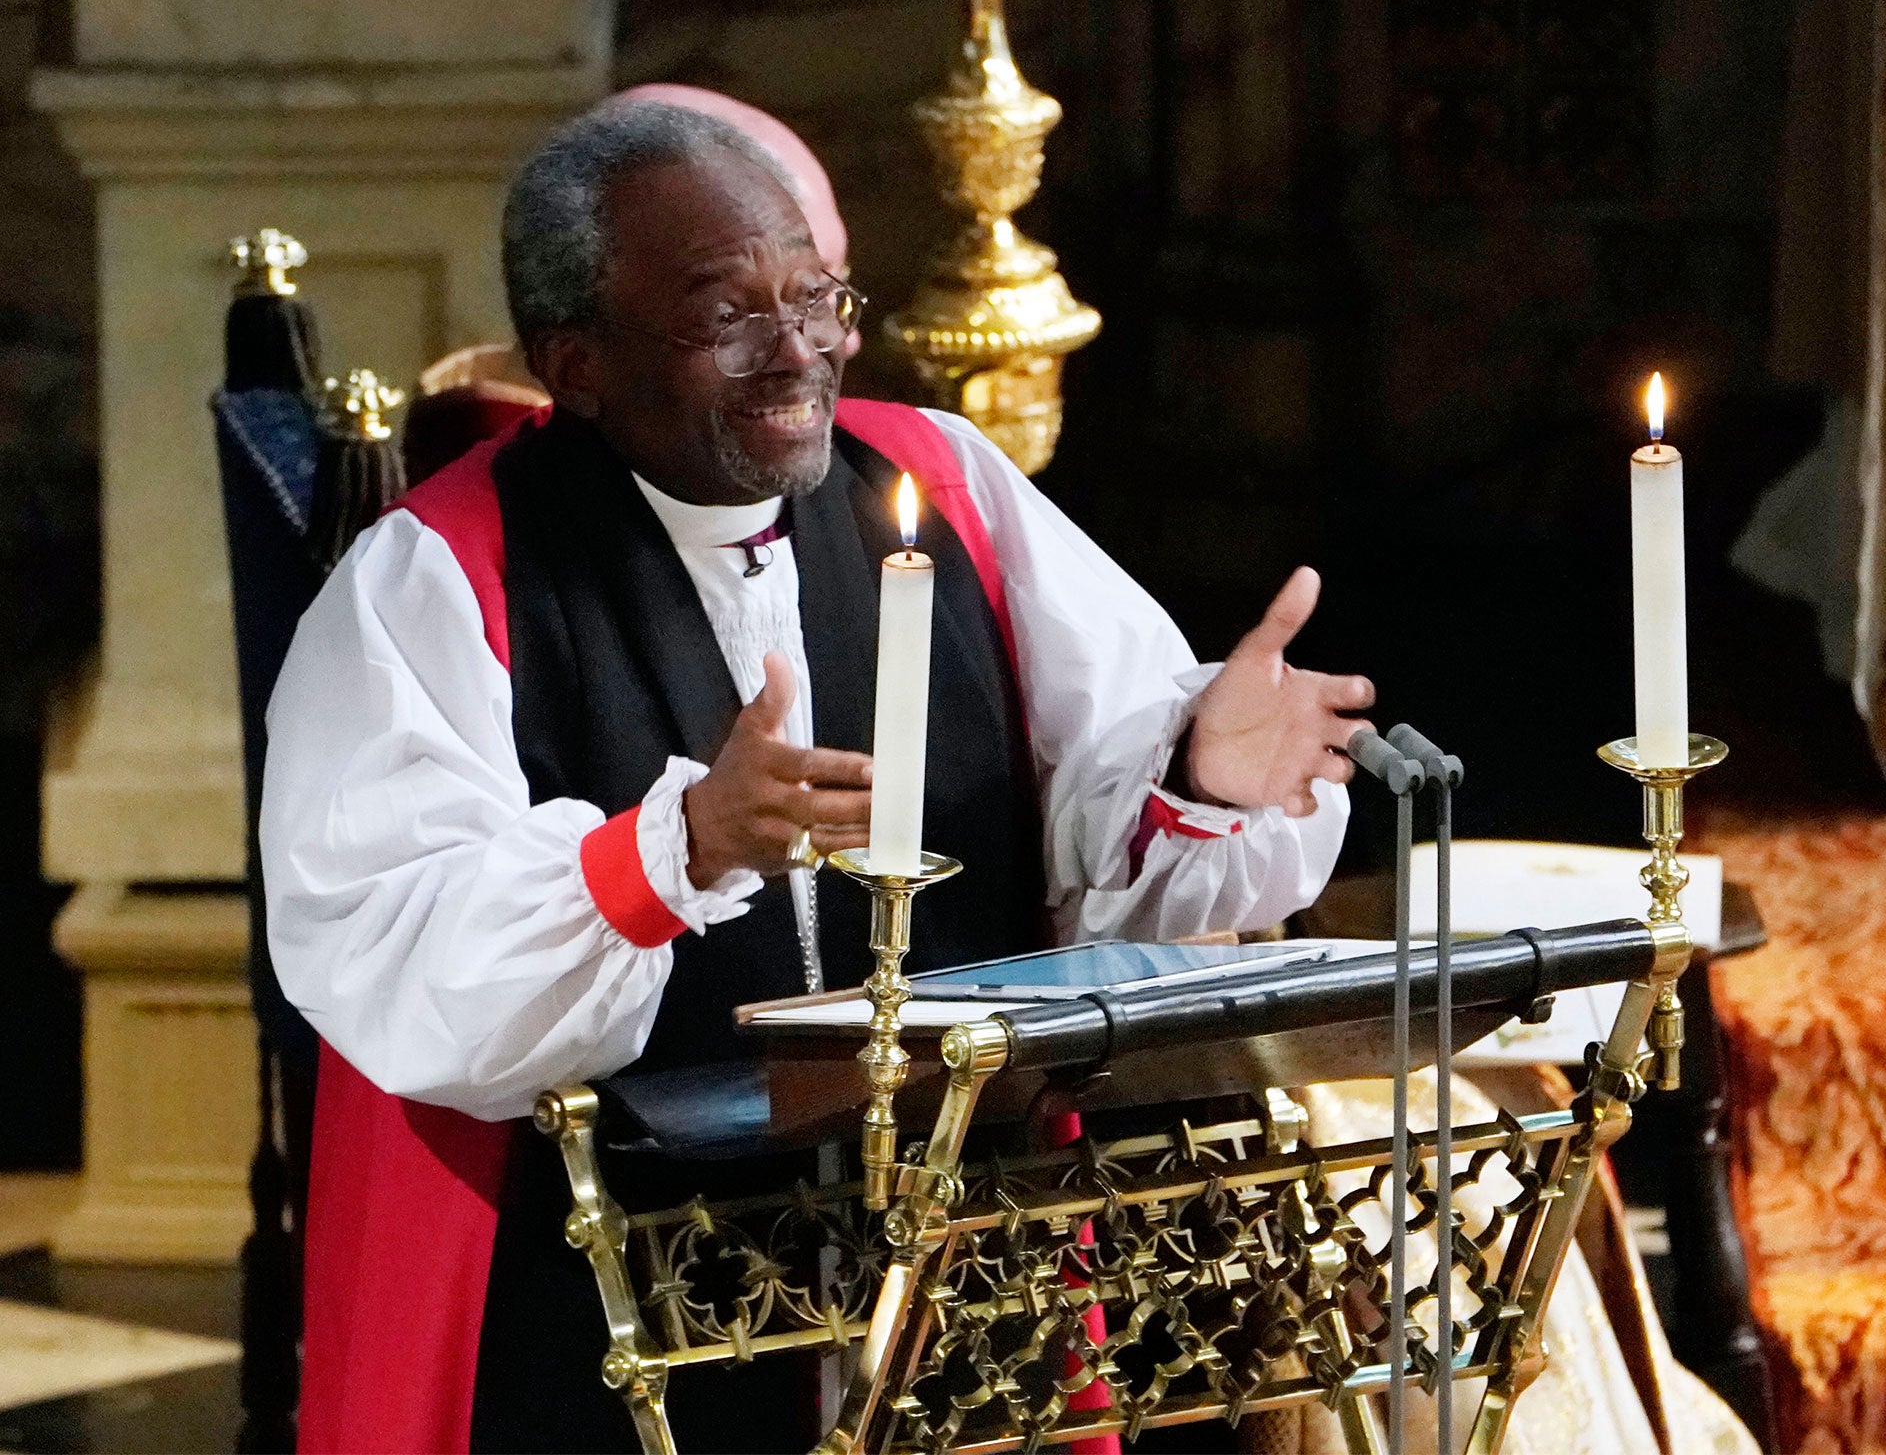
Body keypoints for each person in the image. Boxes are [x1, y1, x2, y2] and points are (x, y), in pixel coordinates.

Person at [261, 97, 1373, 1453]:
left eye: (817, 296)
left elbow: (1096, 843)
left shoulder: (941, 483)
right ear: (578, 361)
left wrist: (1202, 774)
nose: (798, 352)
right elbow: (389, 948)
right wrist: (671, 854)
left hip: (951, 1270)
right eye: (724, 313)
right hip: (597, 1306)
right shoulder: (438, 576)